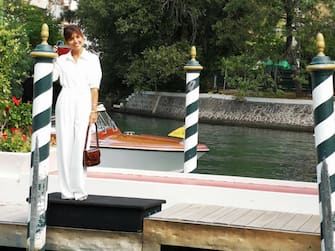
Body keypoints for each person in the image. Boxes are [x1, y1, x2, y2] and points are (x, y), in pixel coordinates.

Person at [53, 24, 102, 200]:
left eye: (78, 37)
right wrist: (52, 55)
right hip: (65, 99)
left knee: (81, 145)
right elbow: (51, 77)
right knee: (64, 144)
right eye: (71, 39)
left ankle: (79, 189)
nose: (76, 41)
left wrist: (93, 110)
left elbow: (94, 87)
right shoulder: (61, 60)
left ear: (82, 37)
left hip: (83, 100)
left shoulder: (92, 59)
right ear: (67, 42)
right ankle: (66, 191)